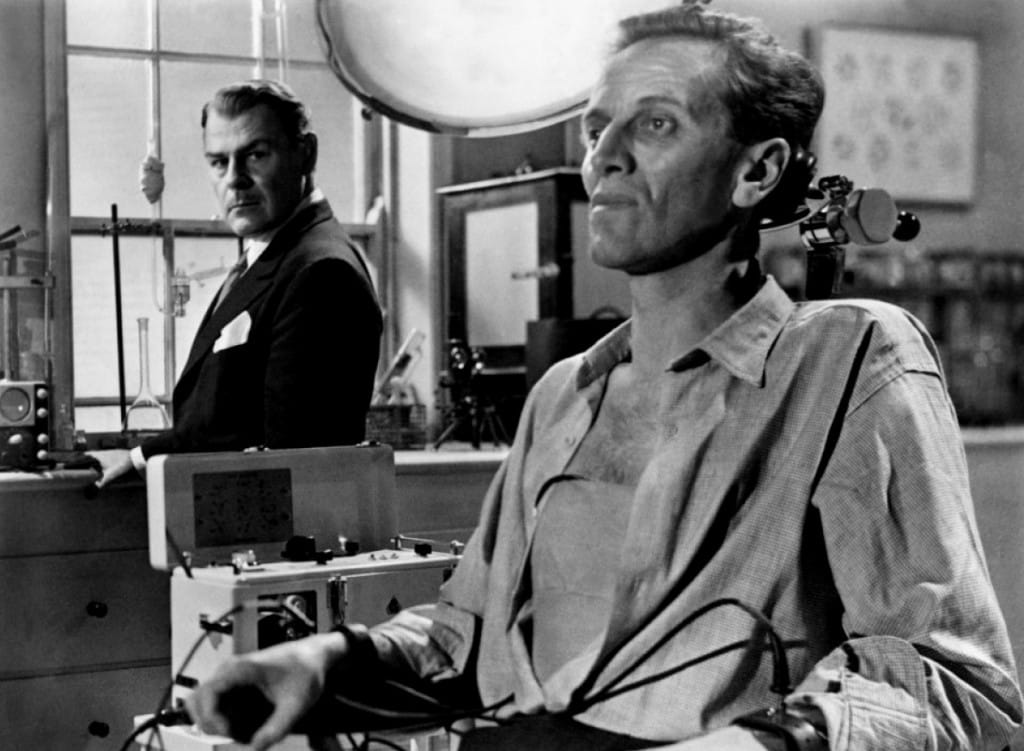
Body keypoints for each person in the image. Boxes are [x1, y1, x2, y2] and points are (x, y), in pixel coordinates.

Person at [183, 7, 1022, 751]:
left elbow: (952, 689)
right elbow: (464, 639)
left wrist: (759, 743)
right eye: (595, 128)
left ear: (757, 171)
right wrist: (324, 664)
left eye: (654, 124)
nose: (603, 157)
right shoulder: (563, 396)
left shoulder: (848, 359)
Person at [92, 79, 382, 488]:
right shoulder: (270, 254)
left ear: (306, 153)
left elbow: (286, 444)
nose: (234, 179)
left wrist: (141, 457)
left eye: (256, 155)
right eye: (218, 162)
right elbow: (230, 413)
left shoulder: (321, 273)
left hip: (284, 520)